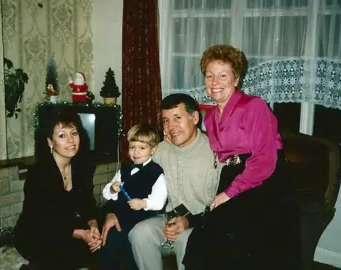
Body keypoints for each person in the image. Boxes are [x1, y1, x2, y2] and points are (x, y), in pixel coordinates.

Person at [182, 44, 299, 269]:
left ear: (236, 80)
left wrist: (229, 193)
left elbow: (264, 159)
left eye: (223, 75)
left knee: (236, 243)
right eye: (209, 75)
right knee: (205, 238)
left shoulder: (254, 107)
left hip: (264, 181)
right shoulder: (210, 117)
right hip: (233, 176)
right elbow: (219, 153)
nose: (215, 82)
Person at [101, 94, 222, 270]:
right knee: (140, 233)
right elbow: (126, 180)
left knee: (184, 240)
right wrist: (111, 212)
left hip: (203, 223)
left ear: (194, 118)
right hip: (166, 219)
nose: (171, 127)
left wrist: (190, 222)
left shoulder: (216, 152)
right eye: (165, 121)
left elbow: (225, 205)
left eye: (177, 118)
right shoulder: (158, 151)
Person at [14, 111, 102, 270]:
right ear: (50, 142)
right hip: (36, 231)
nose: (71, 140)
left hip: (67, 226)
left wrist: (93, 224)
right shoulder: (39, 173)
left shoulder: (82, 167)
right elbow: (42, 220)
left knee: (99, 245)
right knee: (56, 257)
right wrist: (81, 233)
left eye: (74, 133)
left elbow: (87, 204)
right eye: (62, 135)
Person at [99, 123, 167, 270]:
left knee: (131, 255)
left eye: (142, 148)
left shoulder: (156, 172)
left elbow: (160, 200)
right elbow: (106, 194)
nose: (136, 152)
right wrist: (112, 188)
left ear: (153, 149)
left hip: (141, 221)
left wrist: (144, 203)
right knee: (106, 248)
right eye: (132, 147)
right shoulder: (124, 169)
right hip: (121, 219)